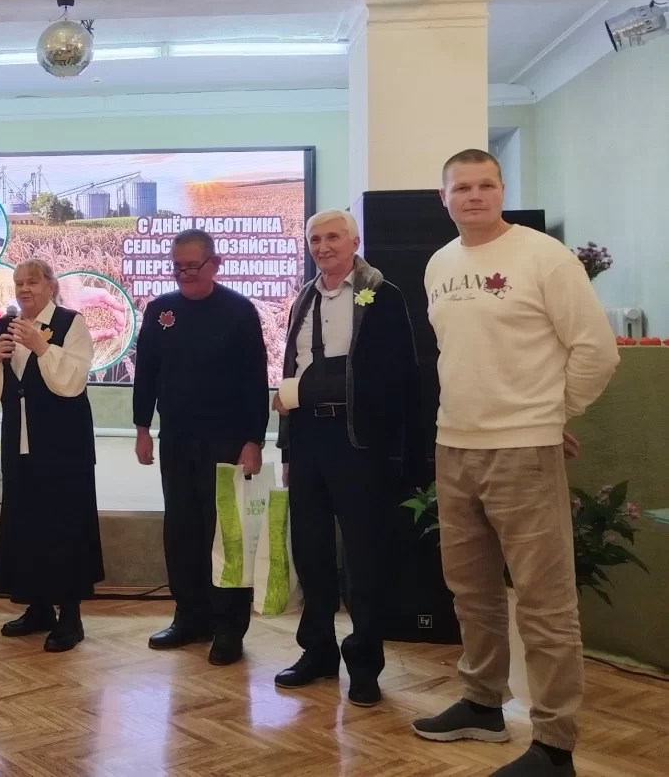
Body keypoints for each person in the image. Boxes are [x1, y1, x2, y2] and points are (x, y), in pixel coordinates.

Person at [412, 149, 618, 777]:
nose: (474, 195)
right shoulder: (439, 264)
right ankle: (482, 704)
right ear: (443, 198)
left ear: (502, 190)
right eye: (461, 187)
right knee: (470, 591)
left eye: (486, 184)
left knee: (544, 604)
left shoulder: (543, 257)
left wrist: (555, 414)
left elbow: (597, 350)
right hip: (454, 445)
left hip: (523, 451)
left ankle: (554, 746)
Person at [272, 210, 420, 707]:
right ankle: (317, 652)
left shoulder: (382, 294)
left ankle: (364, 665)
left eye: (333, 236)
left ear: (354, 241)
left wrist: (310, 391)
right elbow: (292, 368)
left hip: (358, 443)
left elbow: (397, 375)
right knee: (311, 553)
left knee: (363, 558)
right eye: (314, 238)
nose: (323, 246)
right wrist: (287, 446)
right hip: (308, 442)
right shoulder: (304, 297)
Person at [132, 228, 270, 665]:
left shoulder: (239, 311)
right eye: (177, 267)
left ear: (216, 264)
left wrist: (254, 440)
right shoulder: (160, 310)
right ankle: (189, 617)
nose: (184, 274)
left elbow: (255, 380)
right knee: (182, 531)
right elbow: (146, 372)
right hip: (176, 439)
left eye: (193, 266)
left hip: (227, 442)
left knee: (225, 533)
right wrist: (141, 428)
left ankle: (228, 627)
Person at [0, 259, 104, 652]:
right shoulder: (4, 325)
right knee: (26, 525)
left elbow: (72, 383)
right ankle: (38, 608)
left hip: (64, 447)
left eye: (32, 282)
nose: (24, 289)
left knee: (64, 527)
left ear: (50, 286)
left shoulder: (70, 323)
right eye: (18, 283)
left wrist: (41, 347)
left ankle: (71, 617)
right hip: (20, 444)